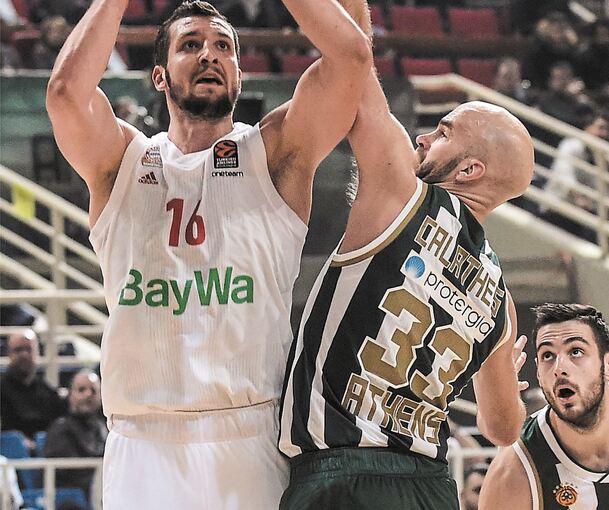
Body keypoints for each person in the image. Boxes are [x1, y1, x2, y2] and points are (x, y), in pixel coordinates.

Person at [46, 0, 372, 508]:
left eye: (224, 46)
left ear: (239, 74)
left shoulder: (277, 154)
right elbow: (66, 93)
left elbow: (351, 57)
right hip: (141, 438)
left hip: (248, 432)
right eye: (190, 45)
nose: (209, 55)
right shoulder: (121, 162)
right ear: (158, 75)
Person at [279, 1, 534, 508]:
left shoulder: (404, 194)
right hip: (431, 489)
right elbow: (504, 428)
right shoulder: (499, 298)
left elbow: (355, 67)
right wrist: (506, 372)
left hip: (343, 474)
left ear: (469, 171)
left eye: (443, 133)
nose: (423, 136)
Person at [479, 303, 609, 509]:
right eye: (547, 355)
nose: (559, 368)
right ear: (538, 374)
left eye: (576, 351)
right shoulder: (513, 472)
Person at [541, 110, 609, 243]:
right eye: (600, 128)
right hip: (559, 207)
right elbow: (564, 174)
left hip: (586, 215)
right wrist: (579, 197)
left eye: (606, 130)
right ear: (587, 127)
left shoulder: (601, 156)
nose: (604, 134)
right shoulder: (571, 145)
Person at [45, 369, 107, 503]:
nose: (88, 395)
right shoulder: (60, 429)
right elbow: (66, 472)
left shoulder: (106, 430)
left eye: (94, 390)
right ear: (70, 394)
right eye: (81, 390)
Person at [0, 329, 66, 449]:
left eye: (28, 349)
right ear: (9, 354)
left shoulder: (49, 393)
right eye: (18, 350)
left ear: (37, 353)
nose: (24, 355)